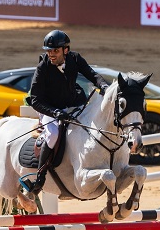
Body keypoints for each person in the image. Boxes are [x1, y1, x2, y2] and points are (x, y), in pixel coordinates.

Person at [22, 29, 109, 195]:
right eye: (49, 51)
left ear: (66, 50)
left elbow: (92, 74)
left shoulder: (75, 58)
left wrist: (103, 85)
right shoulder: (43, 67)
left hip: (72, 104)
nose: (51, 54)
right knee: (53, 134)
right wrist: (55, 112)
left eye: (55, 51)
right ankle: (40, 177)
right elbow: (36, 100)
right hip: (48, 108)